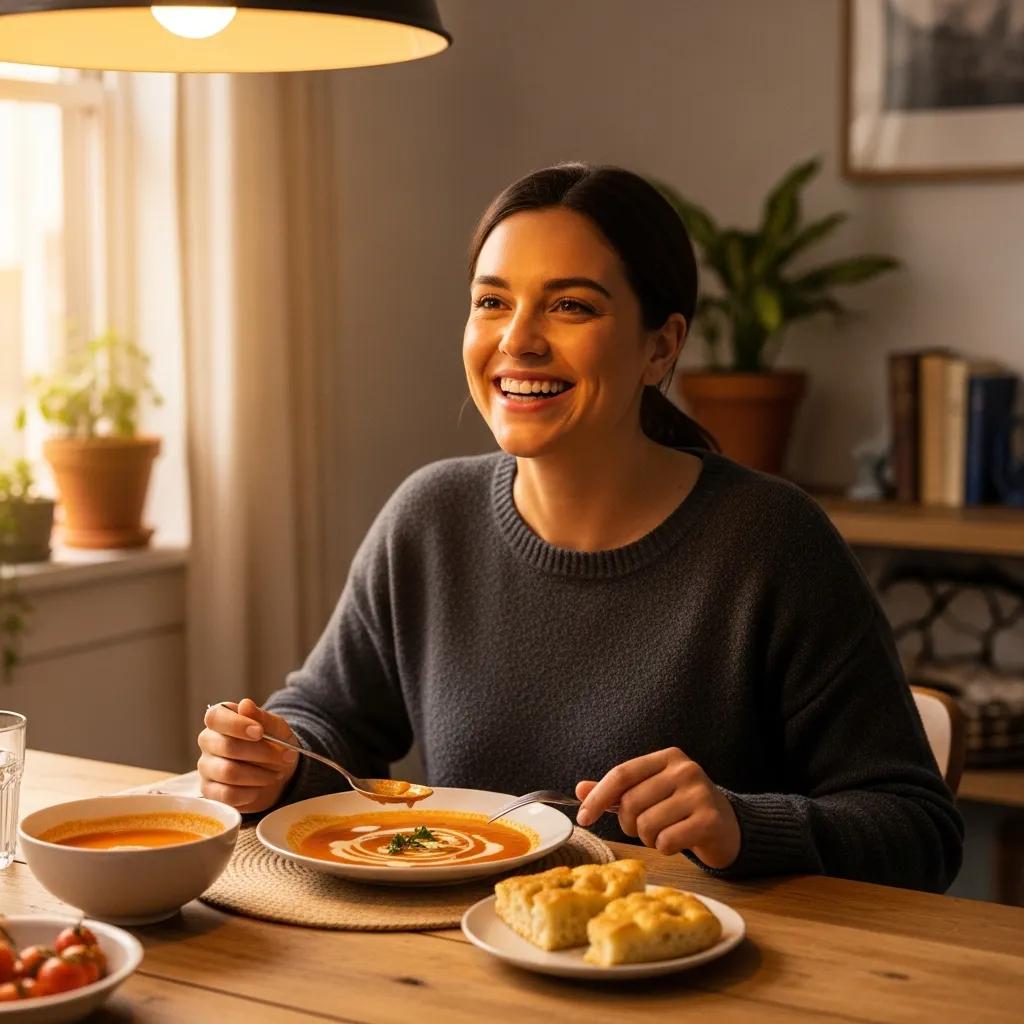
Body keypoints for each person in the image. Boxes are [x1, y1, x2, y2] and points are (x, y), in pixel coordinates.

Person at [198, 163, 963, 891]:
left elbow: (919, 833)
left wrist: (740, 824)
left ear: (660, 345)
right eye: (492, 301)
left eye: (570, 306)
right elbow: (326, 719)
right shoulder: (430, 518)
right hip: (457, 965)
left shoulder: (771, 540)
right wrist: (278, 755)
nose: (517, 340)